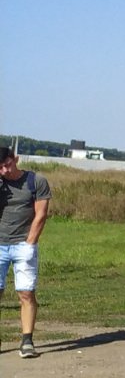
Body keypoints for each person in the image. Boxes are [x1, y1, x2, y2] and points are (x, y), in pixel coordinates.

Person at [0, 147, 51, 359]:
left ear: (16, 159)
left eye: (7, 164)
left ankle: (27, 340)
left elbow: (41, 214)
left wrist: (30, 243)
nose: (4, 170)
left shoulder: (36, 181)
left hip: (24, 245)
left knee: (26, 293)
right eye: (0, 167)